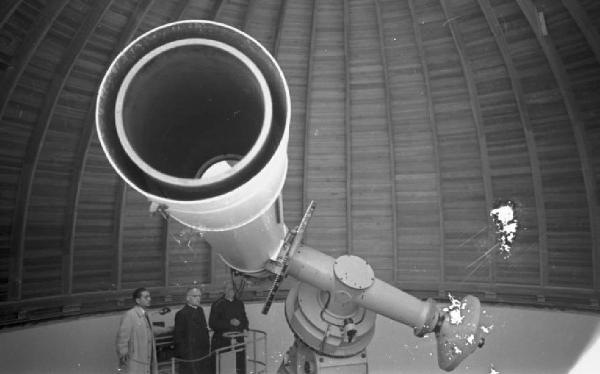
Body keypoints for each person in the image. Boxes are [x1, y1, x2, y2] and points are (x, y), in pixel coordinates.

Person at [209, 282, 249, 374]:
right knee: (224, 368)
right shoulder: (217, 304)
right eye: (229, 289)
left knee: (239, 367)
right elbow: (212, 323)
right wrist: (229, 323)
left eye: (233, 289)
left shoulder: (239, 303)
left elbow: (244, 319)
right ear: (224, 290)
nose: (232, 291)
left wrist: (245, 328)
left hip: (239, 340)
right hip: (222, 342)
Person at [116, 287, 158, 374]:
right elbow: (122, 339)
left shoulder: (146, 315)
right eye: (146, 297)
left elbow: (149, 331)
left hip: (145, 359)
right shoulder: (130, 315)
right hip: (135, 361)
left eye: (149, 296)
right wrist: (124, 356)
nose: (149, 299)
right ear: (138, 300)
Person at [174, 287, 211, 374]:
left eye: (199, 296)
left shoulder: (200, 310)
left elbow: (204, 330)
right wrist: (185, 355)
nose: (198, 298)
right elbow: (178, 337)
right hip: (190, 355)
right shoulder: (181, 314)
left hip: (203, 352)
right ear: (188, 298)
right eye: (195, 296)